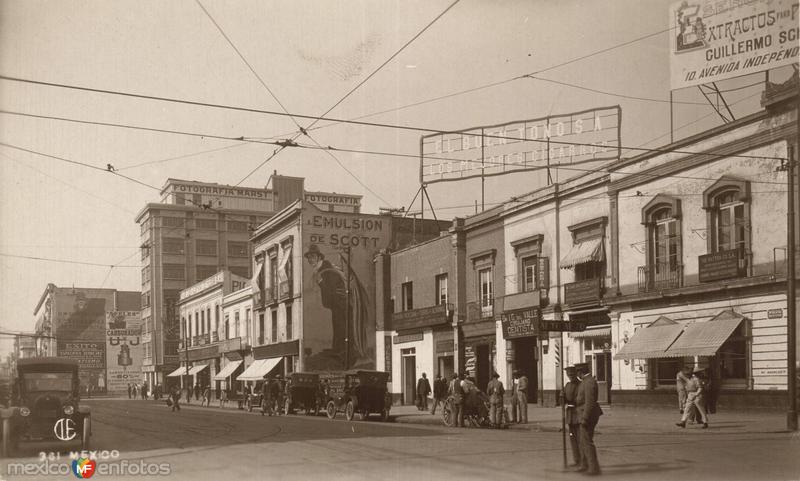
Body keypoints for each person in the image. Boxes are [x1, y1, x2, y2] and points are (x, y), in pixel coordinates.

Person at [575, 362, 603, 476]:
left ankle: (593, 468)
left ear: (580, 372)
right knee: (583, 441)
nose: (577, 374)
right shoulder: (585, 381)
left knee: (587, 442)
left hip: (588, 415)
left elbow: (590, 402)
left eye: (577, 372)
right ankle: (585, 464)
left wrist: (585, 418)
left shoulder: (589, 382)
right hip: (583, 414)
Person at [562, 366, 582, 467]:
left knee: (580, 439)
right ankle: (576, 459)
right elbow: (564, 400)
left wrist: (569, 400)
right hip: (570, 415)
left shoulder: (580, 385)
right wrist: (561, 397)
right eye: (569, 375)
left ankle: (583, 461)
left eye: (572, 375)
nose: (570, 377)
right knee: (572, 438)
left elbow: (579, 399)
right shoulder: (567, 385)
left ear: (576, 374)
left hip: (578, 414)